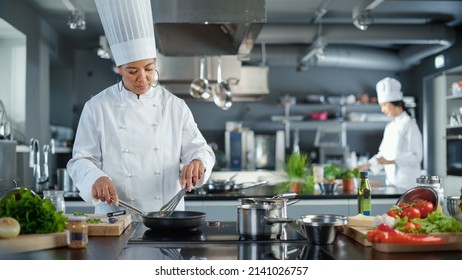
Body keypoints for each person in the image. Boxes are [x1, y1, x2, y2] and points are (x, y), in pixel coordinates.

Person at [67, 0, 215, 214]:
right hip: (115, 216)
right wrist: (95, 177)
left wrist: (198, 161)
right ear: (119, 68)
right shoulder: (97, 107)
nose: (143, 78)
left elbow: (201, 150)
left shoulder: (175, 107)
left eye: (149, 68)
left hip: (165, 217)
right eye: (132, 71)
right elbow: (81, 159)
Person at [357, 77, 423, 190]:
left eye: (384, 105)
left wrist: (393, 160)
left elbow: (417, 157)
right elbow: (383, 154)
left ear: (395, 103)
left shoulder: (410, 125)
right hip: (392, 184)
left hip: (408, 186)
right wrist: (366, 165)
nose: (382, 109)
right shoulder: (390, 127)